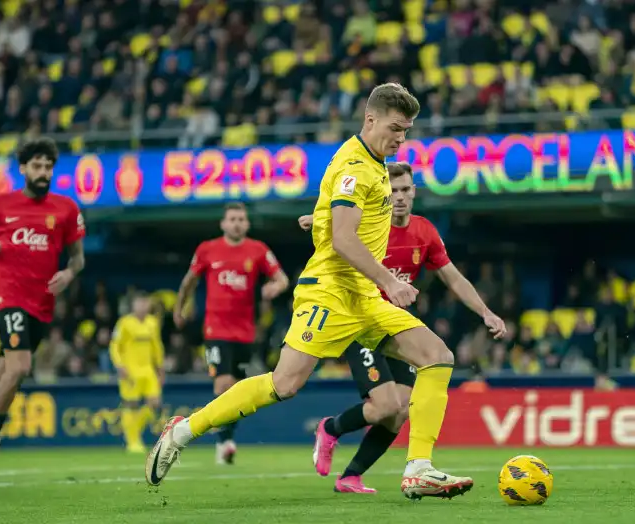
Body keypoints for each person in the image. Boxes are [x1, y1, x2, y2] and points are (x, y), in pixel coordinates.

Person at [146, 83, 474, 500]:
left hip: (364, 297)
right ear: (370, 120)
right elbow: (344, 239)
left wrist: (318, 218)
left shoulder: (369, 162)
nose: (402, 138)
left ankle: (418, 469)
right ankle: (183, 431)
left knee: (437, 356)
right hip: (331, 293)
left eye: (407, 130)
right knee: (284, 384)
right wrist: (391, 279)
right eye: (395, 128)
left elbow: (342, 218)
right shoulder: (357, 166)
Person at [299, 161, 506, 494]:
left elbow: (452, 276)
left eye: (405, 190)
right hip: (361, 322)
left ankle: (350, 476)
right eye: (392, 191)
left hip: (397, 328)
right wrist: (318, 220)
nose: (399, 197)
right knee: (384, 405)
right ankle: (330, 428)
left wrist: (486, 312)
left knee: (400, 411)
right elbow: (339, 229)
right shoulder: (369, 224)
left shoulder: (424, 231)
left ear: (414, 192)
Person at [0, 137, 86, 480]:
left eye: (48, 167)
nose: (44, 173)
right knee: (20, 367)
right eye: (37, 166)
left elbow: (78, 257)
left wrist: (69, 273)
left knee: (4, 376)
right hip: (7, 296)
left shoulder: (66, 209)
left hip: (41, 303)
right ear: (24, 169)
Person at [172, 202, 289, 464]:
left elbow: (281, 278)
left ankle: (225, 437)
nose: (236, 223)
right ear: (223, 224)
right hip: (215, 330)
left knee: (236, 389)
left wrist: (274, 288)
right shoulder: (207, 249)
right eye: (232, 219)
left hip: (245, 333)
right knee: (222, 383)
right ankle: (224, 441)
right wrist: (179, 307)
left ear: (247, 224)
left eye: (241, 219)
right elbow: (189, 281)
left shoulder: (257, 250)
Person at [110, 292, 165, 453]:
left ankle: (135, 434)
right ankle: (132, 442)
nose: (142, 306)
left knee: (155, 404)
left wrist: (160, 368)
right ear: (133, 305)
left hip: (148, 370)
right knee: (131, 405)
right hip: (130, 370)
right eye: (139, 303)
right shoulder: (124, 323)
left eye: (145, 303)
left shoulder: (152, 322)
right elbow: (115, 346)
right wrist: (119, 365)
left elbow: (157, 347)